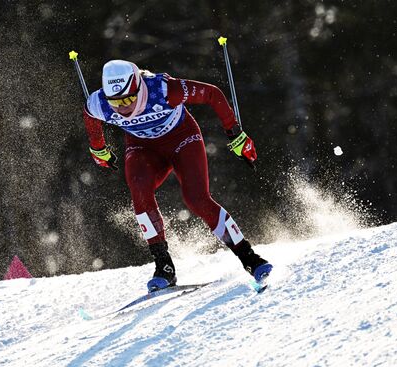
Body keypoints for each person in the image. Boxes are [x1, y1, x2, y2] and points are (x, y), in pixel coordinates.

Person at [82, 59, 272, 292]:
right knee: (139, 192)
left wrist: (235, 134)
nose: (123, 109)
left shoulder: (162, 90)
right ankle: (164, 267)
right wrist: (98, 148)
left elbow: (212, 94)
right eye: (116, 102)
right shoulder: (98, 103)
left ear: (139, 87)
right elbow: (90, 119)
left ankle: (249, 258)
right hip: (143, 148)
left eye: (129, 99)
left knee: (196, 198)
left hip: (182, 140)